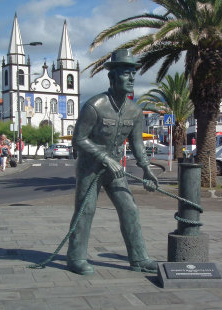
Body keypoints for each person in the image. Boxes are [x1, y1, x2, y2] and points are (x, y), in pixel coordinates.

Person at [67, 49, 159, 275]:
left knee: (130, 209)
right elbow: (79, 139)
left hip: (114, 171)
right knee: (85, 211)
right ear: (112, 77)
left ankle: (139, 259)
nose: (131, 78)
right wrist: (105, 158)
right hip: (90, 168)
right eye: (125, 73)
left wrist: (147, 169)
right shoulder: (95, 105)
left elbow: (137, 145)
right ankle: (76, 258)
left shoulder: (135, 111)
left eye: (133, 74)